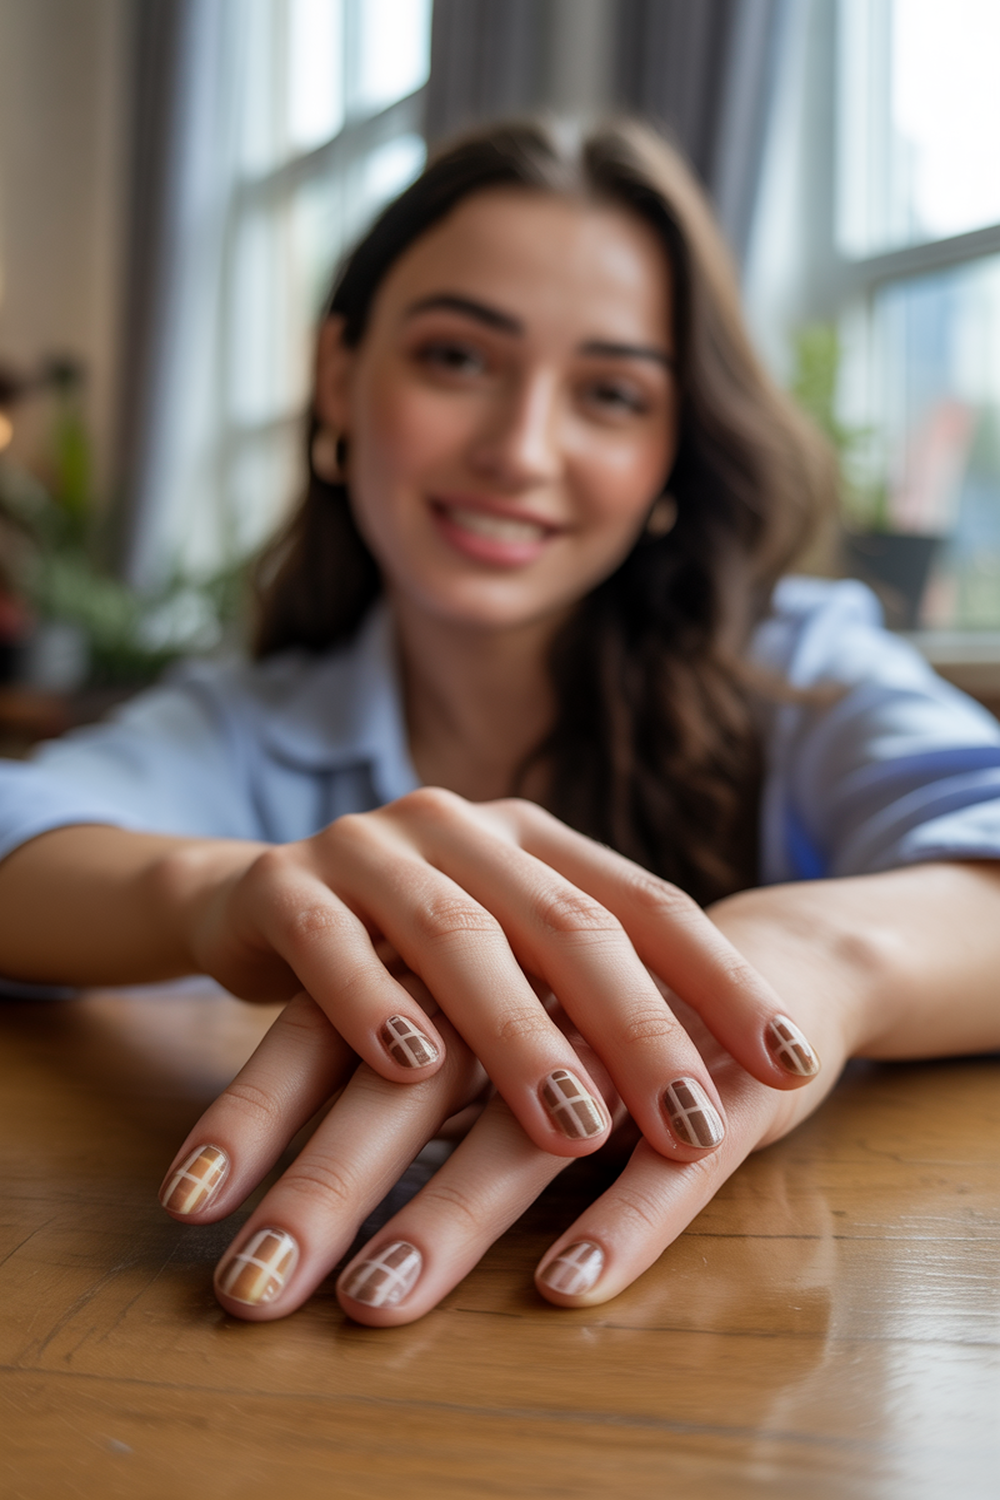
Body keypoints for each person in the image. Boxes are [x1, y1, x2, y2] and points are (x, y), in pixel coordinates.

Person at [2, 118, 1000, 1326]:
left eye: (611, 393)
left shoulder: (800, 665)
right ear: (338, 377)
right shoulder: (245, 722)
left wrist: (794, 967)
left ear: (670, 456)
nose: (520, 450)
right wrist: (223, 898)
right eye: (457, 359)